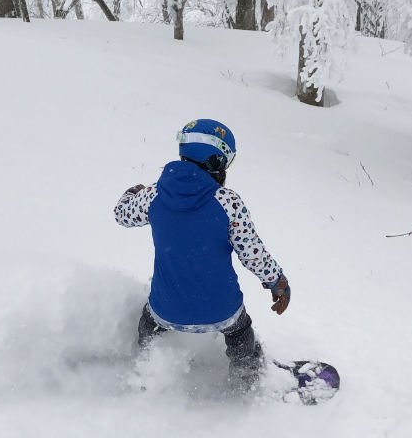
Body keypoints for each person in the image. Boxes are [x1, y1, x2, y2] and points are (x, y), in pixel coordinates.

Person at [114, 118, 291, 390]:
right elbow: (253, 254)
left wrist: (130, 194)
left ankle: (146, 374)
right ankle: (247, 383)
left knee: (148, 326)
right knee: (240, 333)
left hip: (165, 308)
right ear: (216, 163)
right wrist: (276, 281)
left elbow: (122, 215)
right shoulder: (228, 203)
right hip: (222, 309)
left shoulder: (153, 197)